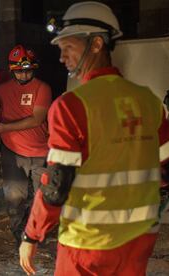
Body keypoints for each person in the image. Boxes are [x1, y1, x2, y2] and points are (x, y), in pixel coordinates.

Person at [19, 2, 169, 276]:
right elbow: (166, 168)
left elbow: (56, 185)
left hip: (88, 245)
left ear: (97, 44)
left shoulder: (71, 106)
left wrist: (32, 236)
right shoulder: (149, 101)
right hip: (140, 238)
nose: (62, 58)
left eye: (69, 47)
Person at [0, 45, 52, 245]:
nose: (24, 74)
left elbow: (37, 119)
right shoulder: (0, 92)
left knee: (42, 196)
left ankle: (36, 229)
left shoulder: (43, 88)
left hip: (41, 151)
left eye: (28, 70)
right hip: (13, 152)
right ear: (11, 70)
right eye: (20, 71)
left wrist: (4, 128)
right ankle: (19, 232)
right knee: (15, 198)